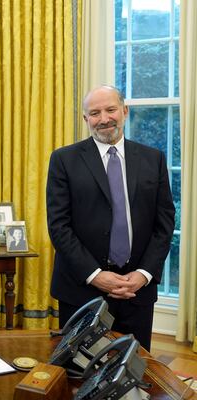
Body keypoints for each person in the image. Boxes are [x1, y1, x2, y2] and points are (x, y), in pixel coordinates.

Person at [46, 85, 175, 351]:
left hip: (136, 290)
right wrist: (95, 275)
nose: (104, 119)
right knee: (78, 373)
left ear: (125, 111)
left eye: (110, 110)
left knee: (135, 369)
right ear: (86, 120)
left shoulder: (154, 159)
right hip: (81, 289)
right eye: (94, 113)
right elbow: (59, 226)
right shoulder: (64, 160)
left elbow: (164, 225)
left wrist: (144, 273)